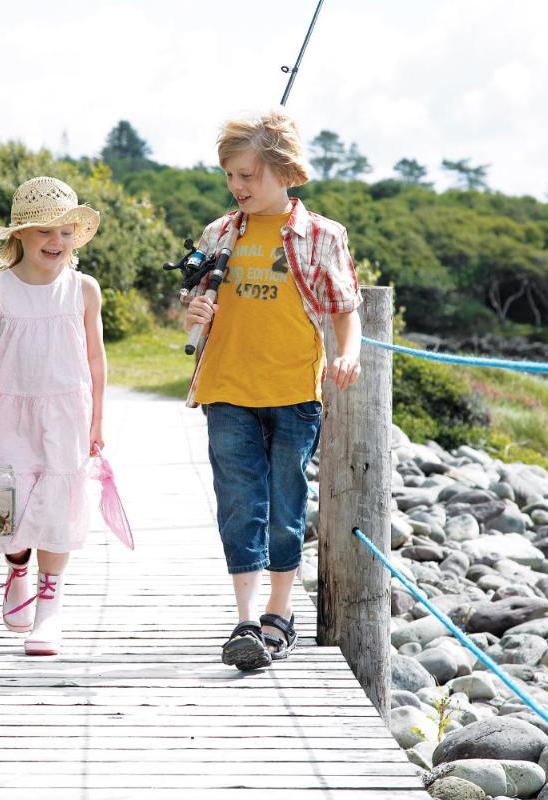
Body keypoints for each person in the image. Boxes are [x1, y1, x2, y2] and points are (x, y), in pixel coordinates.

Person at [183, 109, 364, 671]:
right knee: (240, 504)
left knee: (286, 505)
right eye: (230, 176)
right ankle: (244, 620)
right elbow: (196, 308)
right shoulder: (218, 233)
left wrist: (349, 353)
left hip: (293, 393)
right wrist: (194, 313)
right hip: (226, 389)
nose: (236, 186)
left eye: (247, 175)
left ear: (284, 172)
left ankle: (278, 614)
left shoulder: (323, 235)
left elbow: (345, 310)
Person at [0, 176, 106, 656]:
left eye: (66, 232)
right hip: (8, 410)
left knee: (59, 506)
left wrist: (98, 420)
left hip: (66, 412)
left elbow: (96, 359)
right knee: (2, 505)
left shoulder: (83, 289)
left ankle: (49, 607)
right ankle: (16, 568)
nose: (57, 241)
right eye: (45, 230)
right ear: (20, 235)